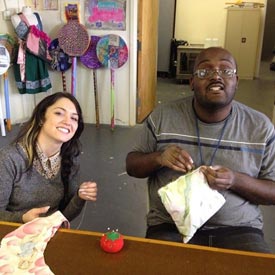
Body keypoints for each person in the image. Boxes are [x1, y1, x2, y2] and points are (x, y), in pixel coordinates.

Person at [126, 47, 275, 253]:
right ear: (191, 83)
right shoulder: (163, 117)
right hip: (171, 226)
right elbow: (132, 166)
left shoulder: (260, 127)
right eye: (204, 72)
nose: (216, 76)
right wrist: (159, 158)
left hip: (238, 229)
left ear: (237, 81)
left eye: (226, 70)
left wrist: (235, 180)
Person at [0, 92, 97, 223]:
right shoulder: (9, 158)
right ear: (41, 118)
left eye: (74, 118)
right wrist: (22, 218)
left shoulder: (70, 159)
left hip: (48, 237)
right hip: (13, 238)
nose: (68, 122)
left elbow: (64, 216)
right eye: (59, 113)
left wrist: (79, 197)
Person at [11, 6, 52, 94]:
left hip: (39, 54)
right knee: (28, 78)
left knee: (41, 85)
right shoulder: (15, 18)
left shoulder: (38, 16)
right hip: (25, 56)